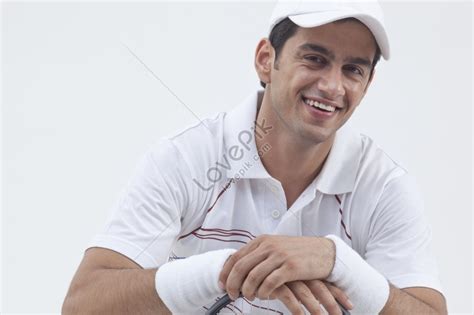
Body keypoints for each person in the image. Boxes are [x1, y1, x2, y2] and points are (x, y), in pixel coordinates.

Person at [62, 1, 448, 314]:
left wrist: (337, 262)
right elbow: (83, 304)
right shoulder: (185, 158)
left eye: (353, 70)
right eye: (314, 59)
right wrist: (229, 268)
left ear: (366, 85)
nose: (332, 86)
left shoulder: (385, 187)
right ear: (266, 59)